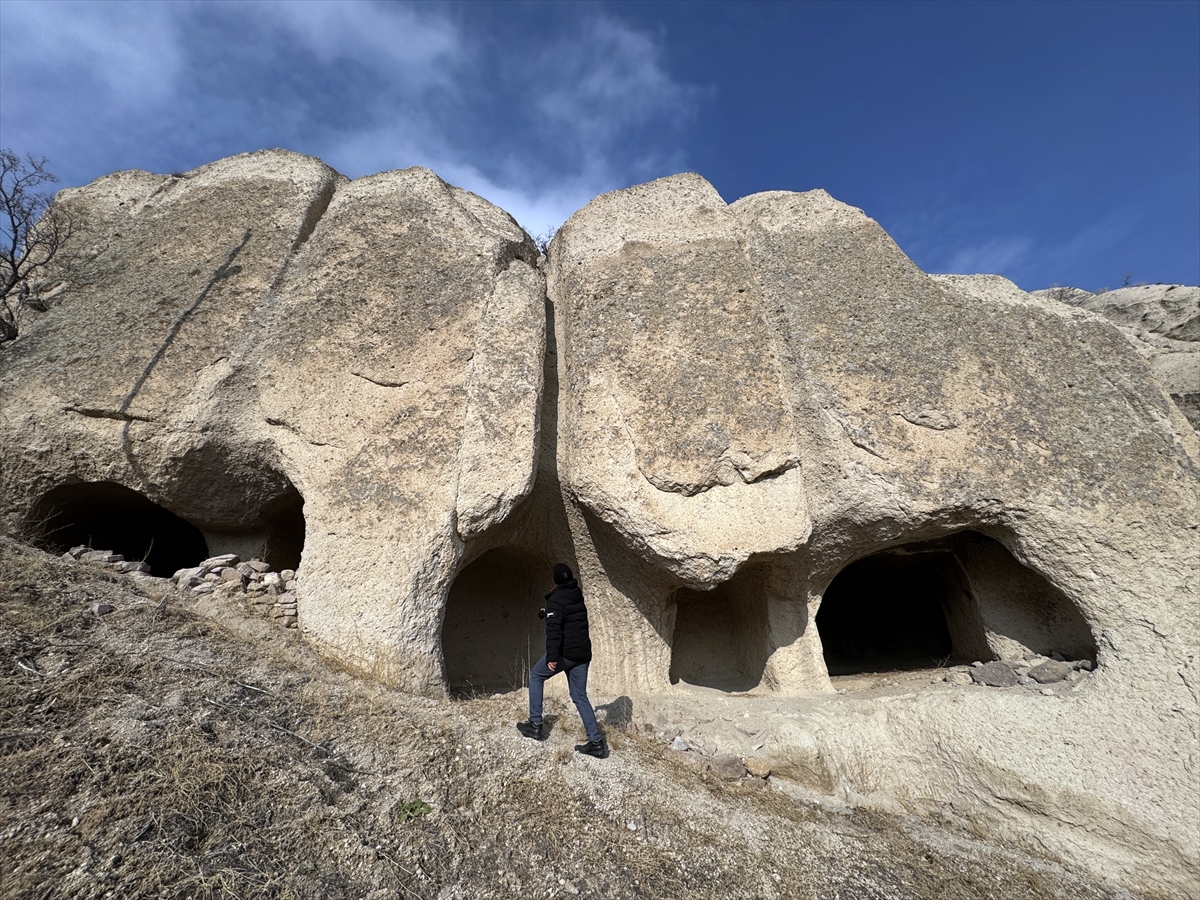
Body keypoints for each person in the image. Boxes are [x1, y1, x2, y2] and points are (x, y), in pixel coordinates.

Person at [517, 563, 606, 758]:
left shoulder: (556, 599)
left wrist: (552, 657)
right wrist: (548, 610)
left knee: (535, 676)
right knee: (579, 696)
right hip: (582, 654)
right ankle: (596, 743)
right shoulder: (576, 594)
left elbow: (554, 631)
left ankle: (535, 724)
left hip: (566, 654)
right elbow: (567, 617)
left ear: (556, 579)